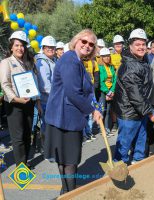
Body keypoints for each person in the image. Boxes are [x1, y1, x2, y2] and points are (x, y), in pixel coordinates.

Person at [44, 29, 102, 194]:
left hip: (63, 117)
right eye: (84, 41)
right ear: (75, 41)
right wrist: (93, 111)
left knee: (64, 160)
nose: (87, 46)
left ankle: (66, 192)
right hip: (66, 118)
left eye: (91, 44)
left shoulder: (76, 60)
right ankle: (71, 194)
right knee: (69, 161)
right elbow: (73, 92)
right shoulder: (71, 60)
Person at [113, 28, 154, 164]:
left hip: (141, 111)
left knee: (140, 142)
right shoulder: (130, 66)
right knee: (124, 145)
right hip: (129, 112)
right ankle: (119, 169)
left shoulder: (143, 60)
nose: (141, 47)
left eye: (143, 44)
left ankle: (138, 163)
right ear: (130, 46)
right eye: (138, 44)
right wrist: (148, 110)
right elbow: (135, 94)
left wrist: (147, 109)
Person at [0, 31, 42, 167]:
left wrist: (37, 102)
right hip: (14, 105)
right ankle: (21, 167)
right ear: (11, 47)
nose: (20, 48)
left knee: (27, 135)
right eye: (17, 45)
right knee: (18, 138)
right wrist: (16, 99)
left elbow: (34, 84)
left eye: (22, 45)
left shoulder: (27, 63)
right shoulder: (6, 62)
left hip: (29, 103)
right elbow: (4, 84)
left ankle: (25, 162)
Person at [35, 35, 57, 151]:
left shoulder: (52, 60)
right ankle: (47, 148)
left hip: (52, 99)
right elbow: (45, 86)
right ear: (43, 48)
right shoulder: (42, 62)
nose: (51, 49)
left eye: (52, 47)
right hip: (47, 100)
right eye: (48, 47)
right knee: (47, 125)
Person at [99, 47, 116, 137]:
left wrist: (112, 91)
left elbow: (114, 80)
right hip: (103, 92)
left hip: (110, 92)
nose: (107, 58)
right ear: (101, 57)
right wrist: (107, 92)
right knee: (102, 110)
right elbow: (101, 81)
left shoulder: (111, 67)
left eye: (108, 56)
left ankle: (107, 128)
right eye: (105, 56)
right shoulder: (100, 67)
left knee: (109, 110)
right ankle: (102, 129)